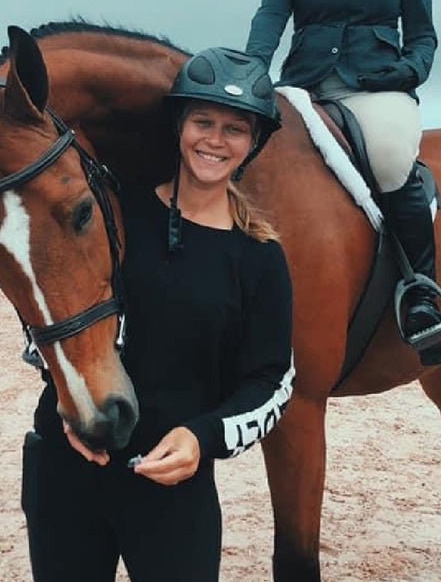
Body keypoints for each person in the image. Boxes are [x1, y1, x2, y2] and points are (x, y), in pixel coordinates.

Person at [22, 48, 295, 582]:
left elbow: (273, 381)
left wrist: (203, 437)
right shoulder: (113, 212)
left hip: (171, 487)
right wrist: (64, 400)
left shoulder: (259, 256)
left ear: (253, 142)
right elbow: (49, 314)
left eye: (235, 129)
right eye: (203, 121)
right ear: (179, 125)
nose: (215, 140)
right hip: (67, 464)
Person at [245, 0, 441, 361]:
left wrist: (406, 72)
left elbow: (424, 36)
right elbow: (270, 18)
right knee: (242, 159)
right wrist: (250, 72)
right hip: (304, 86)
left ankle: (420, 294)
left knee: (387, 159)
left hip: (376, 89)